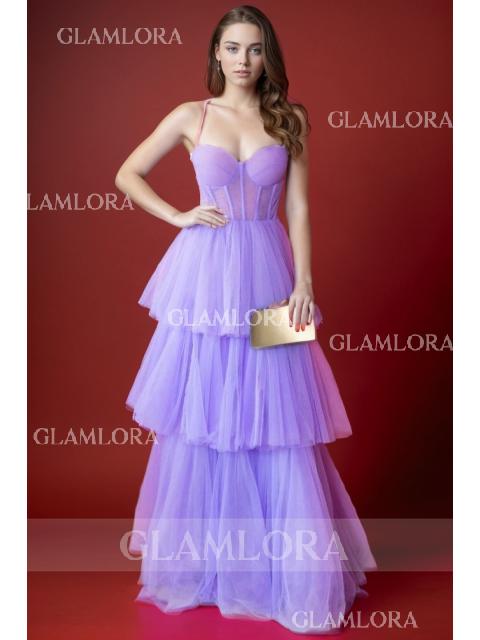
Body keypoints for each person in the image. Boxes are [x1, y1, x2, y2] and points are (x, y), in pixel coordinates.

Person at [115, 5, 377, 635]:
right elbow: (127, 174)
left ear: (267, 56)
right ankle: (207, 568)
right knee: (204, 410)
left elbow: (299, 209)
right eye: (232, 48)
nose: (242, 60)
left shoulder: (291, 119)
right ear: (216, 52)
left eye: (254, 49)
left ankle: (287, 573)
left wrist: (304, 284)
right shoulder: (191, 116)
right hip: (203, 276)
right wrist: (178, 215)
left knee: (278, 414)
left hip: (270, 272)